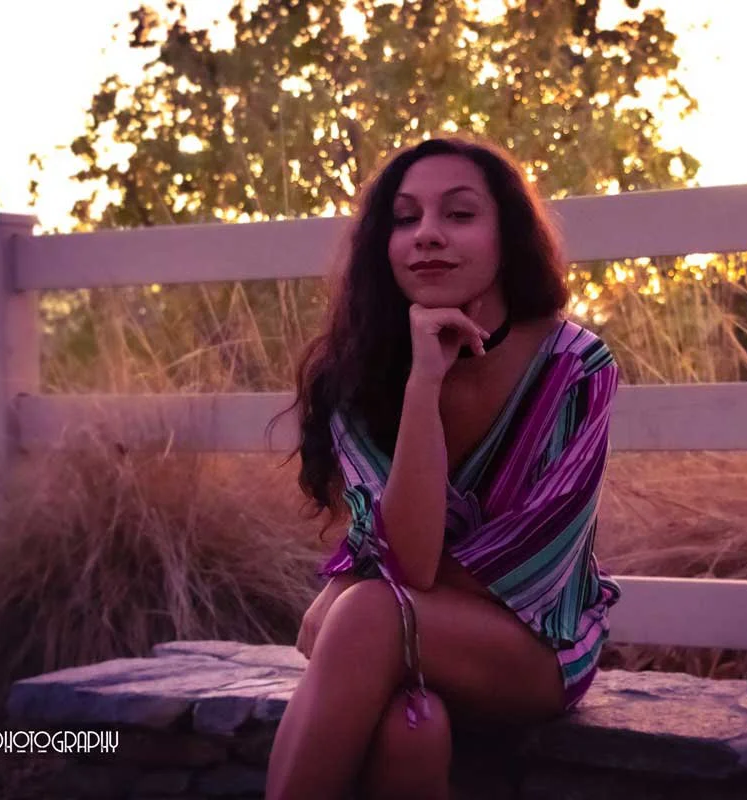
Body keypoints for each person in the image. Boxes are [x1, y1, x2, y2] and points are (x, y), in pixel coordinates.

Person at [263, 136, 621, 800]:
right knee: (412, 732)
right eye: (406, 218)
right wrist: (423, 385)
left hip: (534, 647)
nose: (427, 234)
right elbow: (409, 561)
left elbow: (523, 570)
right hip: (404, 637)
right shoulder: (358, 371)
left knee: (367, 614)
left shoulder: (575, 367)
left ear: (507, 236)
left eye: (458, 214)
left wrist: (352, 589)